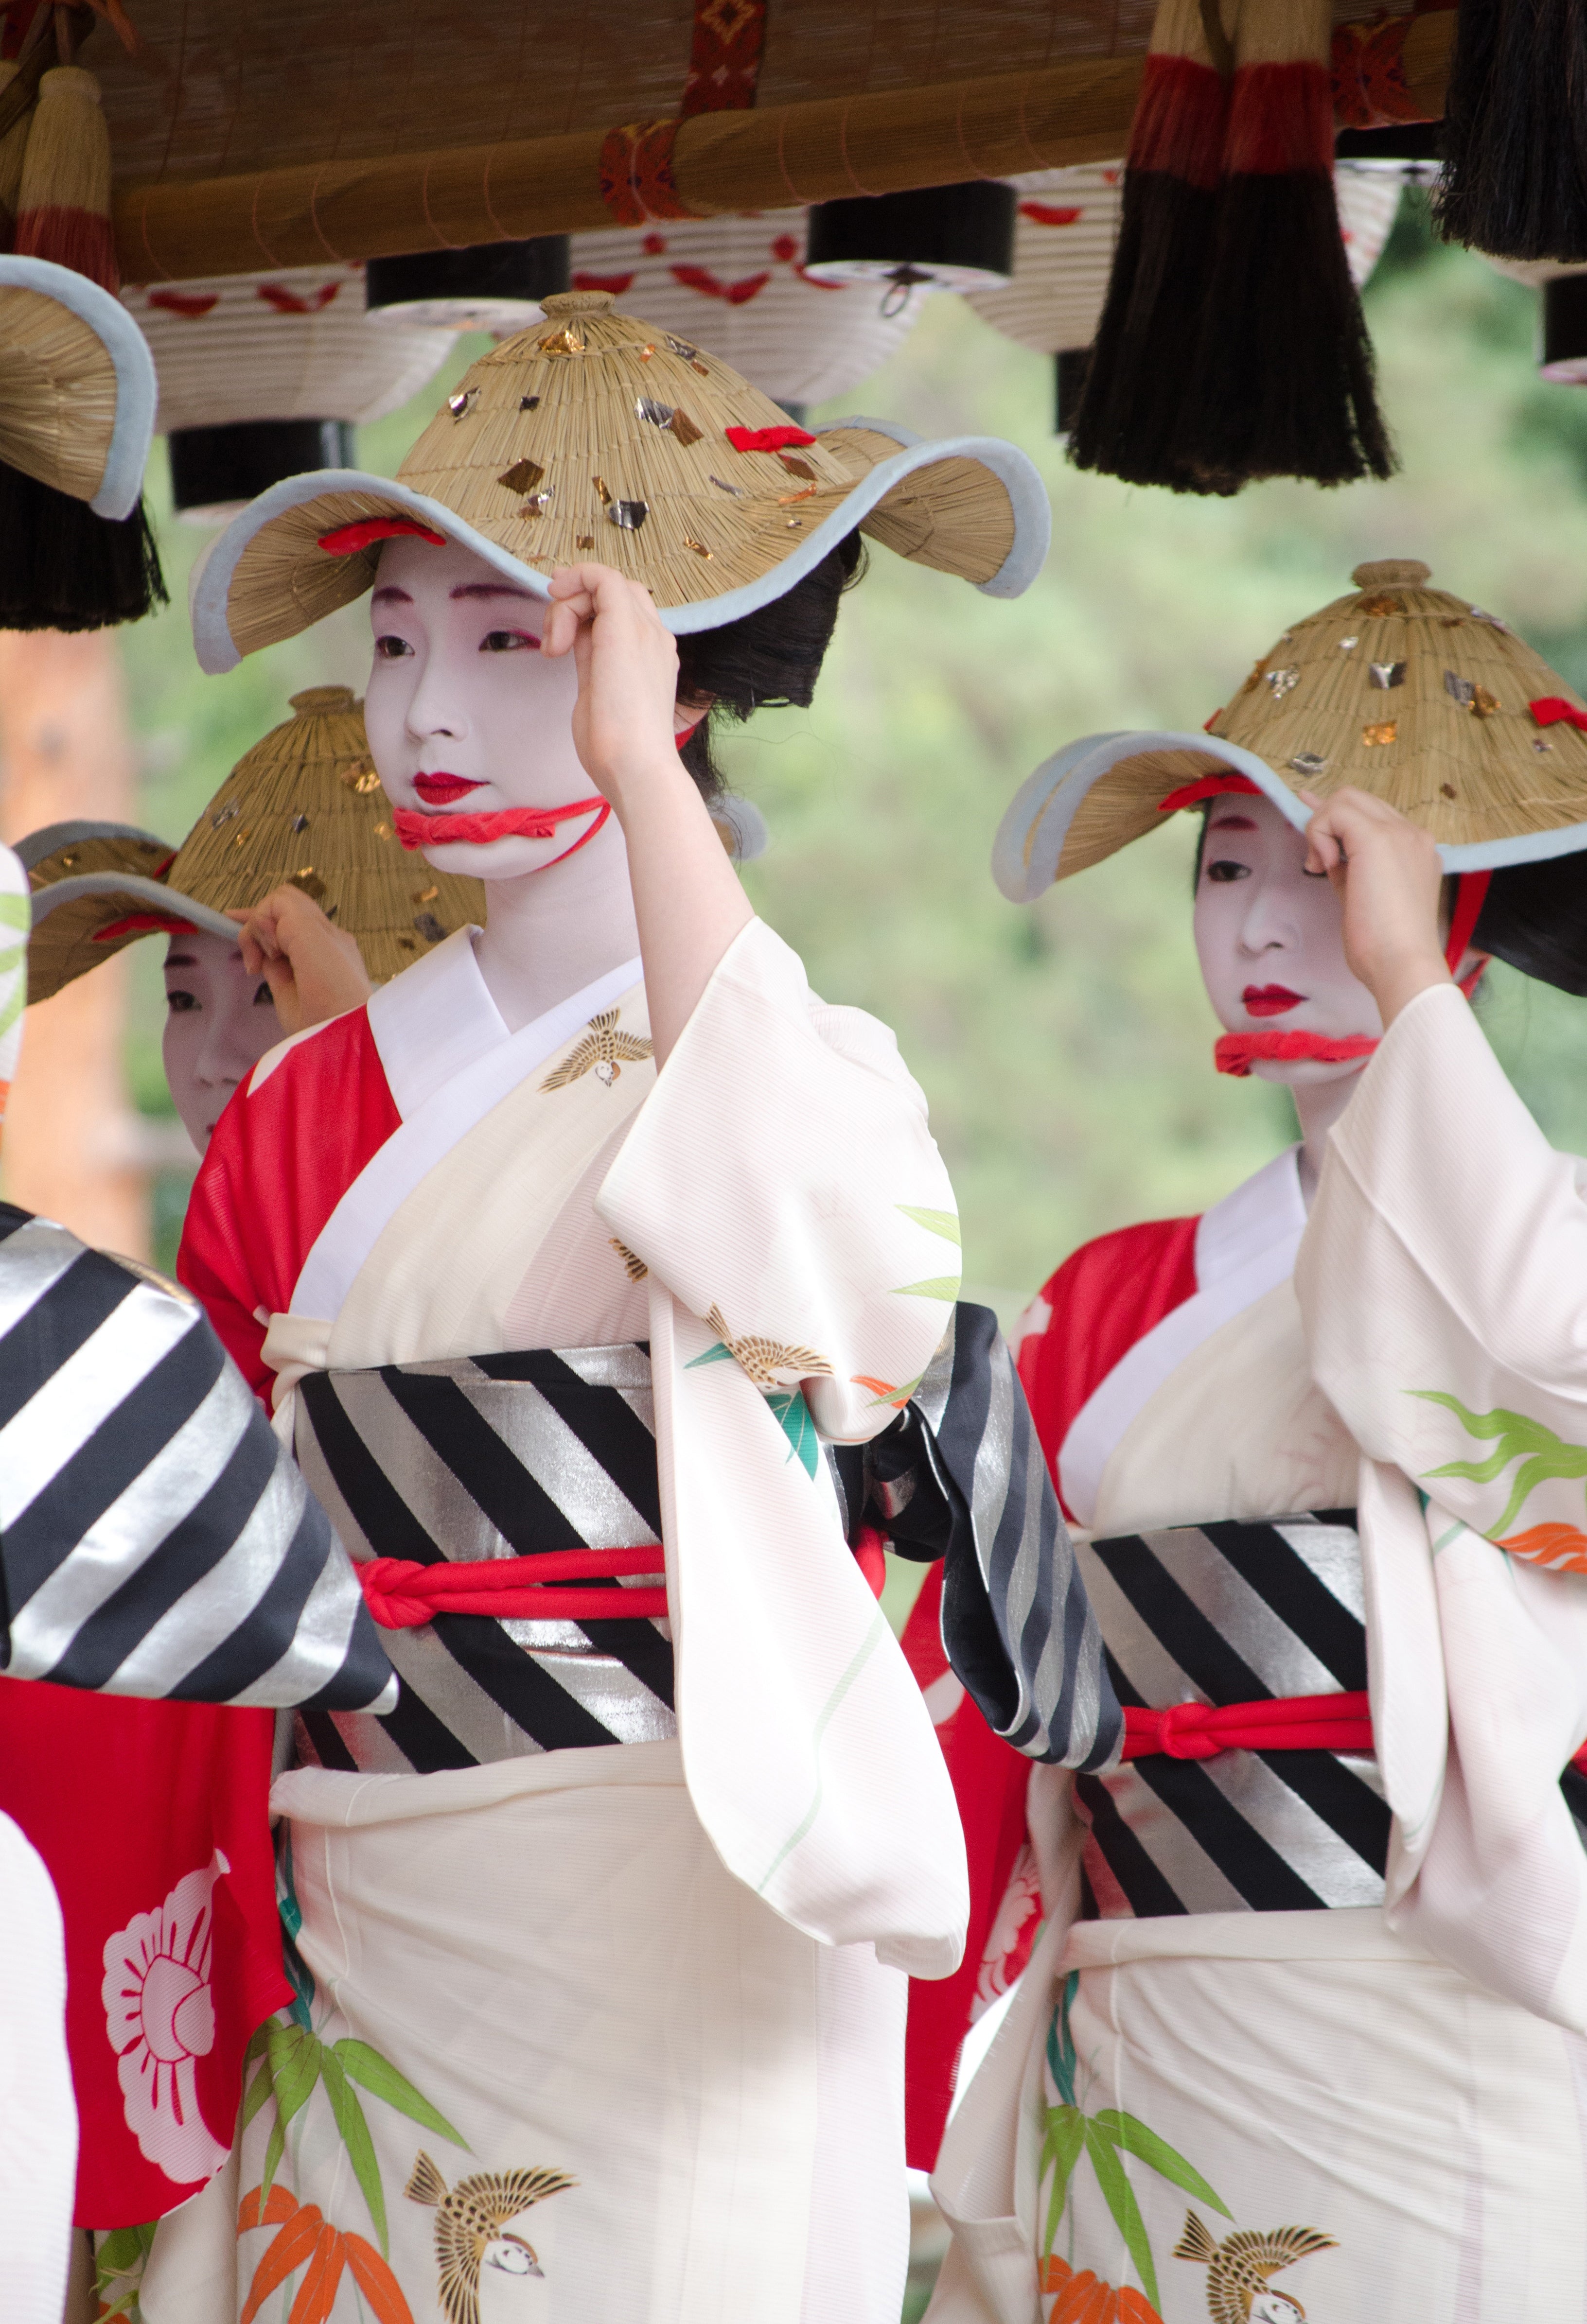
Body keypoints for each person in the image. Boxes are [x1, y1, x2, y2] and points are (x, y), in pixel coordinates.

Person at [147, 289, 1116, 2324]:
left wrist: (643, 787)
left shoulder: (789, 1055)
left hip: (689, 1876)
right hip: (368, 1882)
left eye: (514, 646)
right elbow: (213, 1564)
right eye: (395, 639)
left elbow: (843, 1332)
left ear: (659, 672)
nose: (422, 711)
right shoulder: (311, 1108)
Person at [927, 558, 1587, 2324]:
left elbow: (1529, 1368)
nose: (1265, 927)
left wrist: (1410, 993)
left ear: (1454, 907)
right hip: (1155, 1996)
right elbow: (999, 1688)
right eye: (1224, 869)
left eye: (1328, 876)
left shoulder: (1565, 1258)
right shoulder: (1118, 1294)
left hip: (1440, 2002)